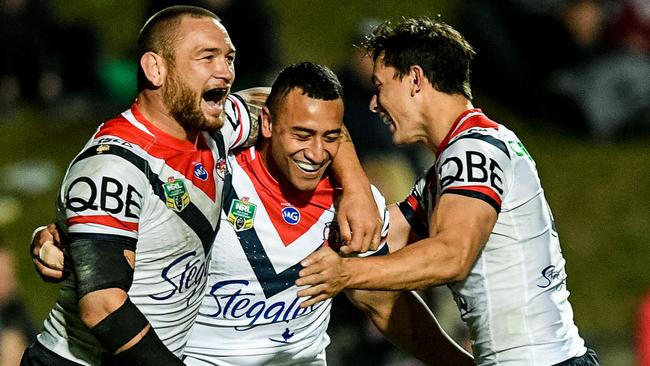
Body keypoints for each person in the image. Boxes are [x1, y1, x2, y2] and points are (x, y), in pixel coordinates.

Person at [30, 62, 474, 365]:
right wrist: (62, 240)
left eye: (330, 138)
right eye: (300, 134)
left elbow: (384, 303)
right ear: (266, 125)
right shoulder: (209, 178)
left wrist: (460, 362)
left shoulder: (353, 209)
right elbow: (118, 211)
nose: (316, 153)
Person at [22, 6, 380, 366]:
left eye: (229, 58)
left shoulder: (217, 131)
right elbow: (101, 306)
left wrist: (356, 185)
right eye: (207, 57)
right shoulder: (113, 166)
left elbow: (302, 113)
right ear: (155, 68)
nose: (225, 72)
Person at [296, 17, 600, 365]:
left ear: (415, 79)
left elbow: (452, 255)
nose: (374, 104)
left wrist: (345, 273)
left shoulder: (474, 151)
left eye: (379, 87)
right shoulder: (454, 164)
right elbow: (371, 240)